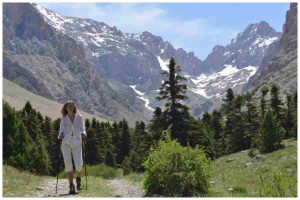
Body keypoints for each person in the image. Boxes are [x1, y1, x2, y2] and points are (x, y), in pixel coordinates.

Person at [58, 101, 87, 194]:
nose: (70, 107)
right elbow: (61, 131)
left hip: (77, 142)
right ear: (66, 108)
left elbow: (83, 129)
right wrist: (60, 135)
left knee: (78, 165)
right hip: (65, 143)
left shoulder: (79, 117)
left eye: (71, 106)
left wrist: (84, 134)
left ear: (74, 107)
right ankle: (71, 185)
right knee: (68, 165)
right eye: (68, 106)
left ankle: (78, 178)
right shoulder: (64, 118)